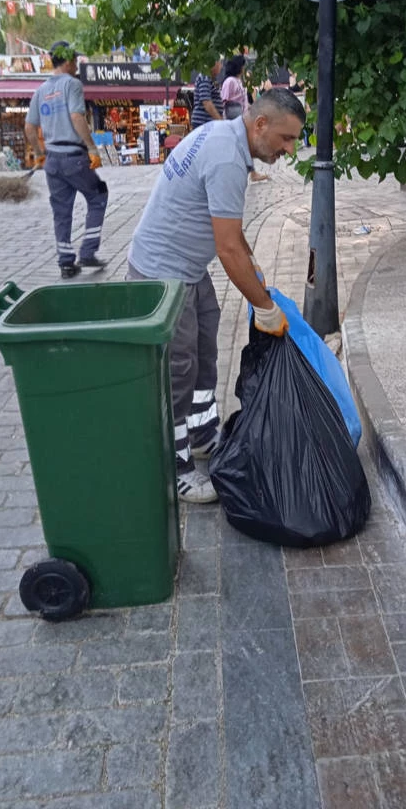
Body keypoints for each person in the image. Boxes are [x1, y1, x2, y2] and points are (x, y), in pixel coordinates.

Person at [126, 87, 306, 503]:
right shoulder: (227, 157)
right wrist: (264, 306)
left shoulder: (226, 138)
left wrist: (253, 264)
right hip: (162, 276)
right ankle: (175, 467)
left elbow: (229, 230)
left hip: (186, 268)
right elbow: (225, 249)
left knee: (205, 351)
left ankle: (204, 434)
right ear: (260, 124)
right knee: (177, 370)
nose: (289, 149)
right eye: (285, 138)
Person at [25, 41, 108, 278]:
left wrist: (39, 155)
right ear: (69, 60)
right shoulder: (72, 84)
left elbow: (30, 128)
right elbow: (76, 116)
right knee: (98, 195)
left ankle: (66, 262)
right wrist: (92, 148)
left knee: (61, 211)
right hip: (74, 157)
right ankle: (88, 252)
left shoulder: (40, 91)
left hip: (52, 160)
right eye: (75, 60)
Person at [221, 55, 269, 184]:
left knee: (245, 145)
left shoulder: (237, 81)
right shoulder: (230, 81)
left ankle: (251, 172)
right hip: (234, 118)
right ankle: (248, 172)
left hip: (242, 118)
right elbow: (224, 100)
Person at [190, 57, 224, 129]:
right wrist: (220, 121)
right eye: (220, 63)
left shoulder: (211, 79)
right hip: (203, 122)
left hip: (208, 122)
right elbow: (207, 103)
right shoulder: (205, 77)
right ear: (214, 63)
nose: (221, 66)